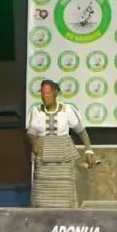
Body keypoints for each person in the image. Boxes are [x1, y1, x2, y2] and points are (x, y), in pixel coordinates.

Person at [26, 80, 94, 208]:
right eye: (42, 93)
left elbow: (82, 132)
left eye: (48, 93)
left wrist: (89, 151)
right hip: (44, 155)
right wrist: (33, 141)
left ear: (55, 93)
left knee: (65, 192)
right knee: (41, 196)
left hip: (64, 156)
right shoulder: (36, 111)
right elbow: (31, 132)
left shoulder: (67, 110)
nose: (45, 96)